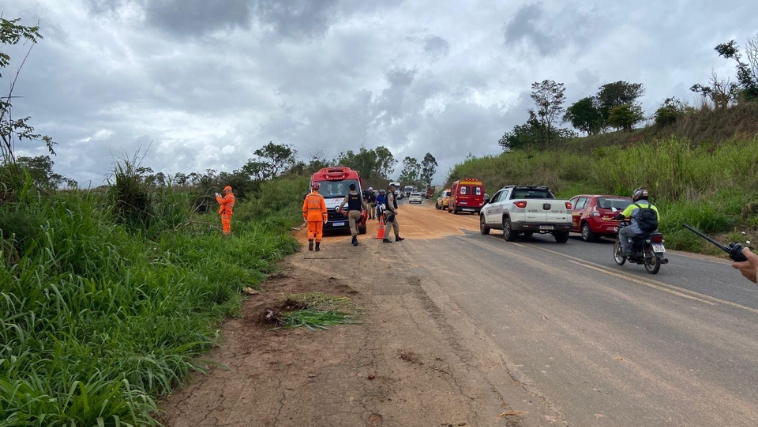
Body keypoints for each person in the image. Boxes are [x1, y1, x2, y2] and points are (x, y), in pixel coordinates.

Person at [613, 187, 659, 256]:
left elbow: (622, 216)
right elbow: (658, 220)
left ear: (636, 196)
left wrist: (615, 218)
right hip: (653, 231)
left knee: (622, 232)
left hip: (638, 230)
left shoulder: (633, 206)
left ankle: (627, 251)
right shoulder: (653, 207)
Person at [302, 182, 328, 251]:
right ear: (318, 188)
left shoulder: (307, 197)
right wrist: (325, 217)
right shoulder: (321, 197)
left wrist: (305, 216)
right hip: (319, 218)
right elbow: (324, 209)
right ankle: (317, 247)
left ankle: (311, 240)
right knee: (319, 231)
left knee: (311, 230)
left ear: (312, 188)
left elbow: (304, 208)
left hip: (310, 217)